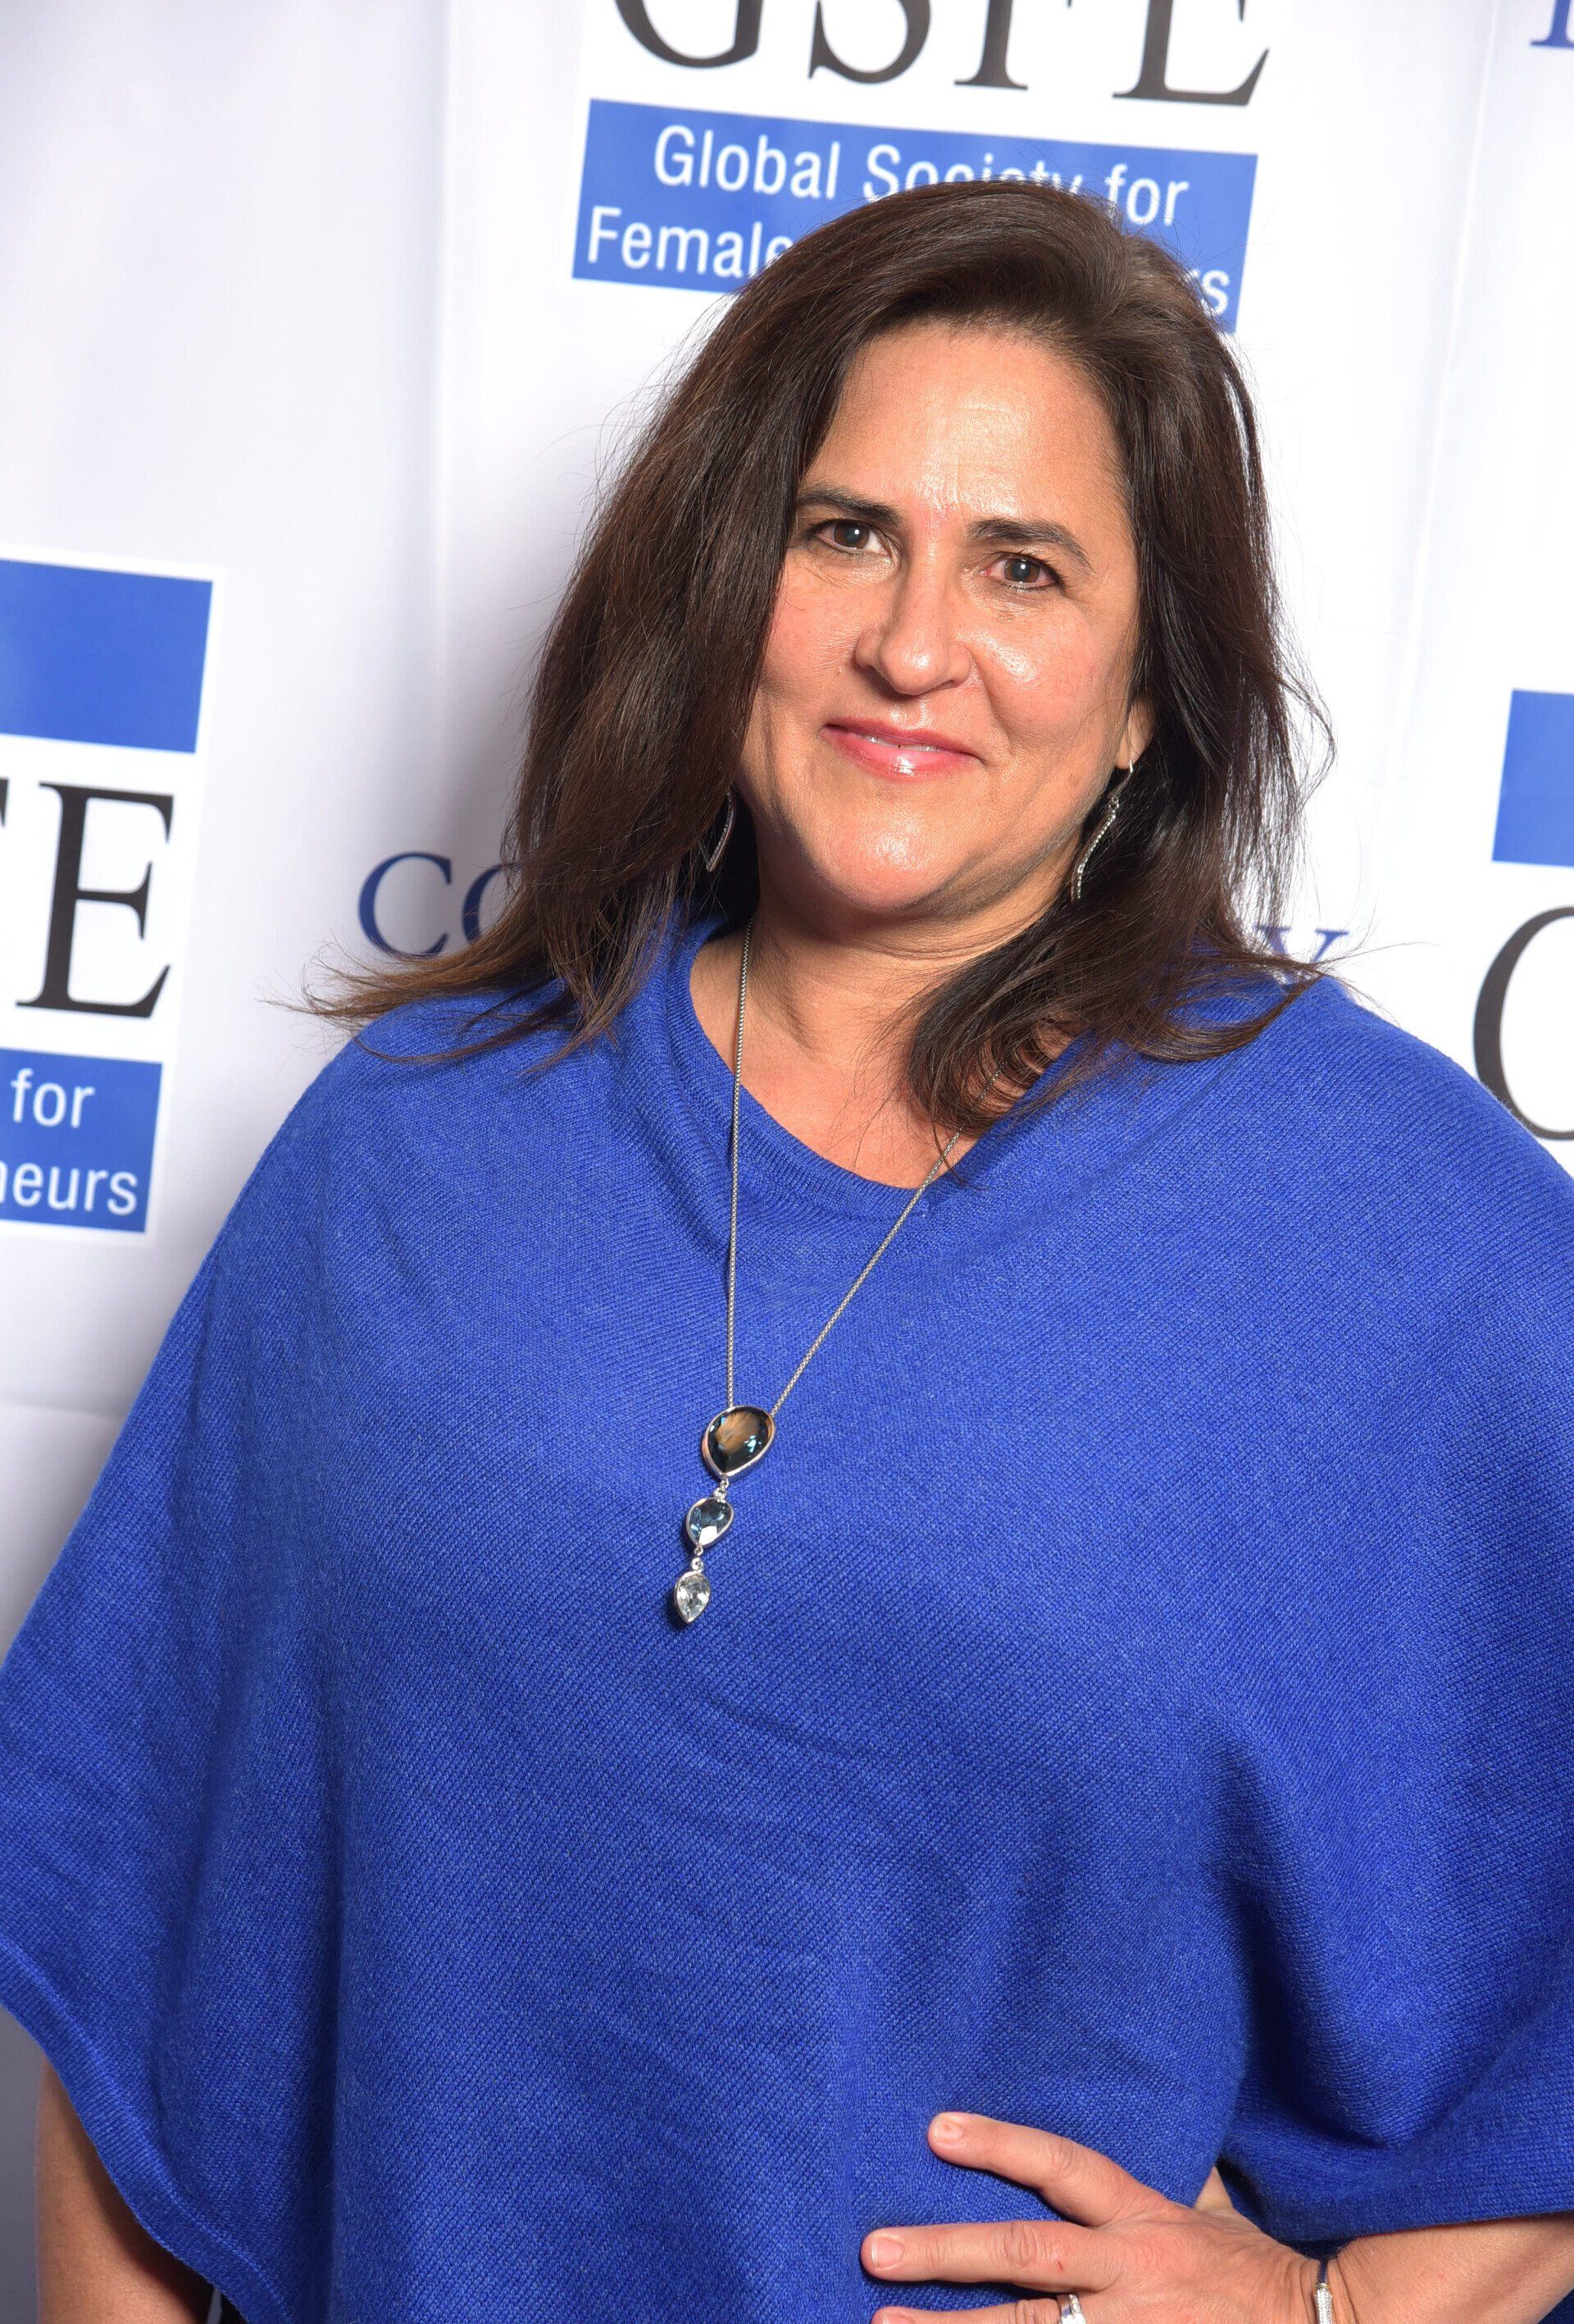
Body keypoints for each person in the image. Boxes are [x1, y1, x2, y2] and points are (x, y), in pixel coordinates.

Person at [2, 180, 1572, 2324]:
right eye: (843, 534)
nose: (912, 645)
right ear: (723, 578)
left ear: (1147, 693)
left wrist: (1328, 2316)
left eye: (1023, 566)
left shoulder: (1405, 1245)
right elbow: (130, 1972)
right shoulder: (417, 1145)